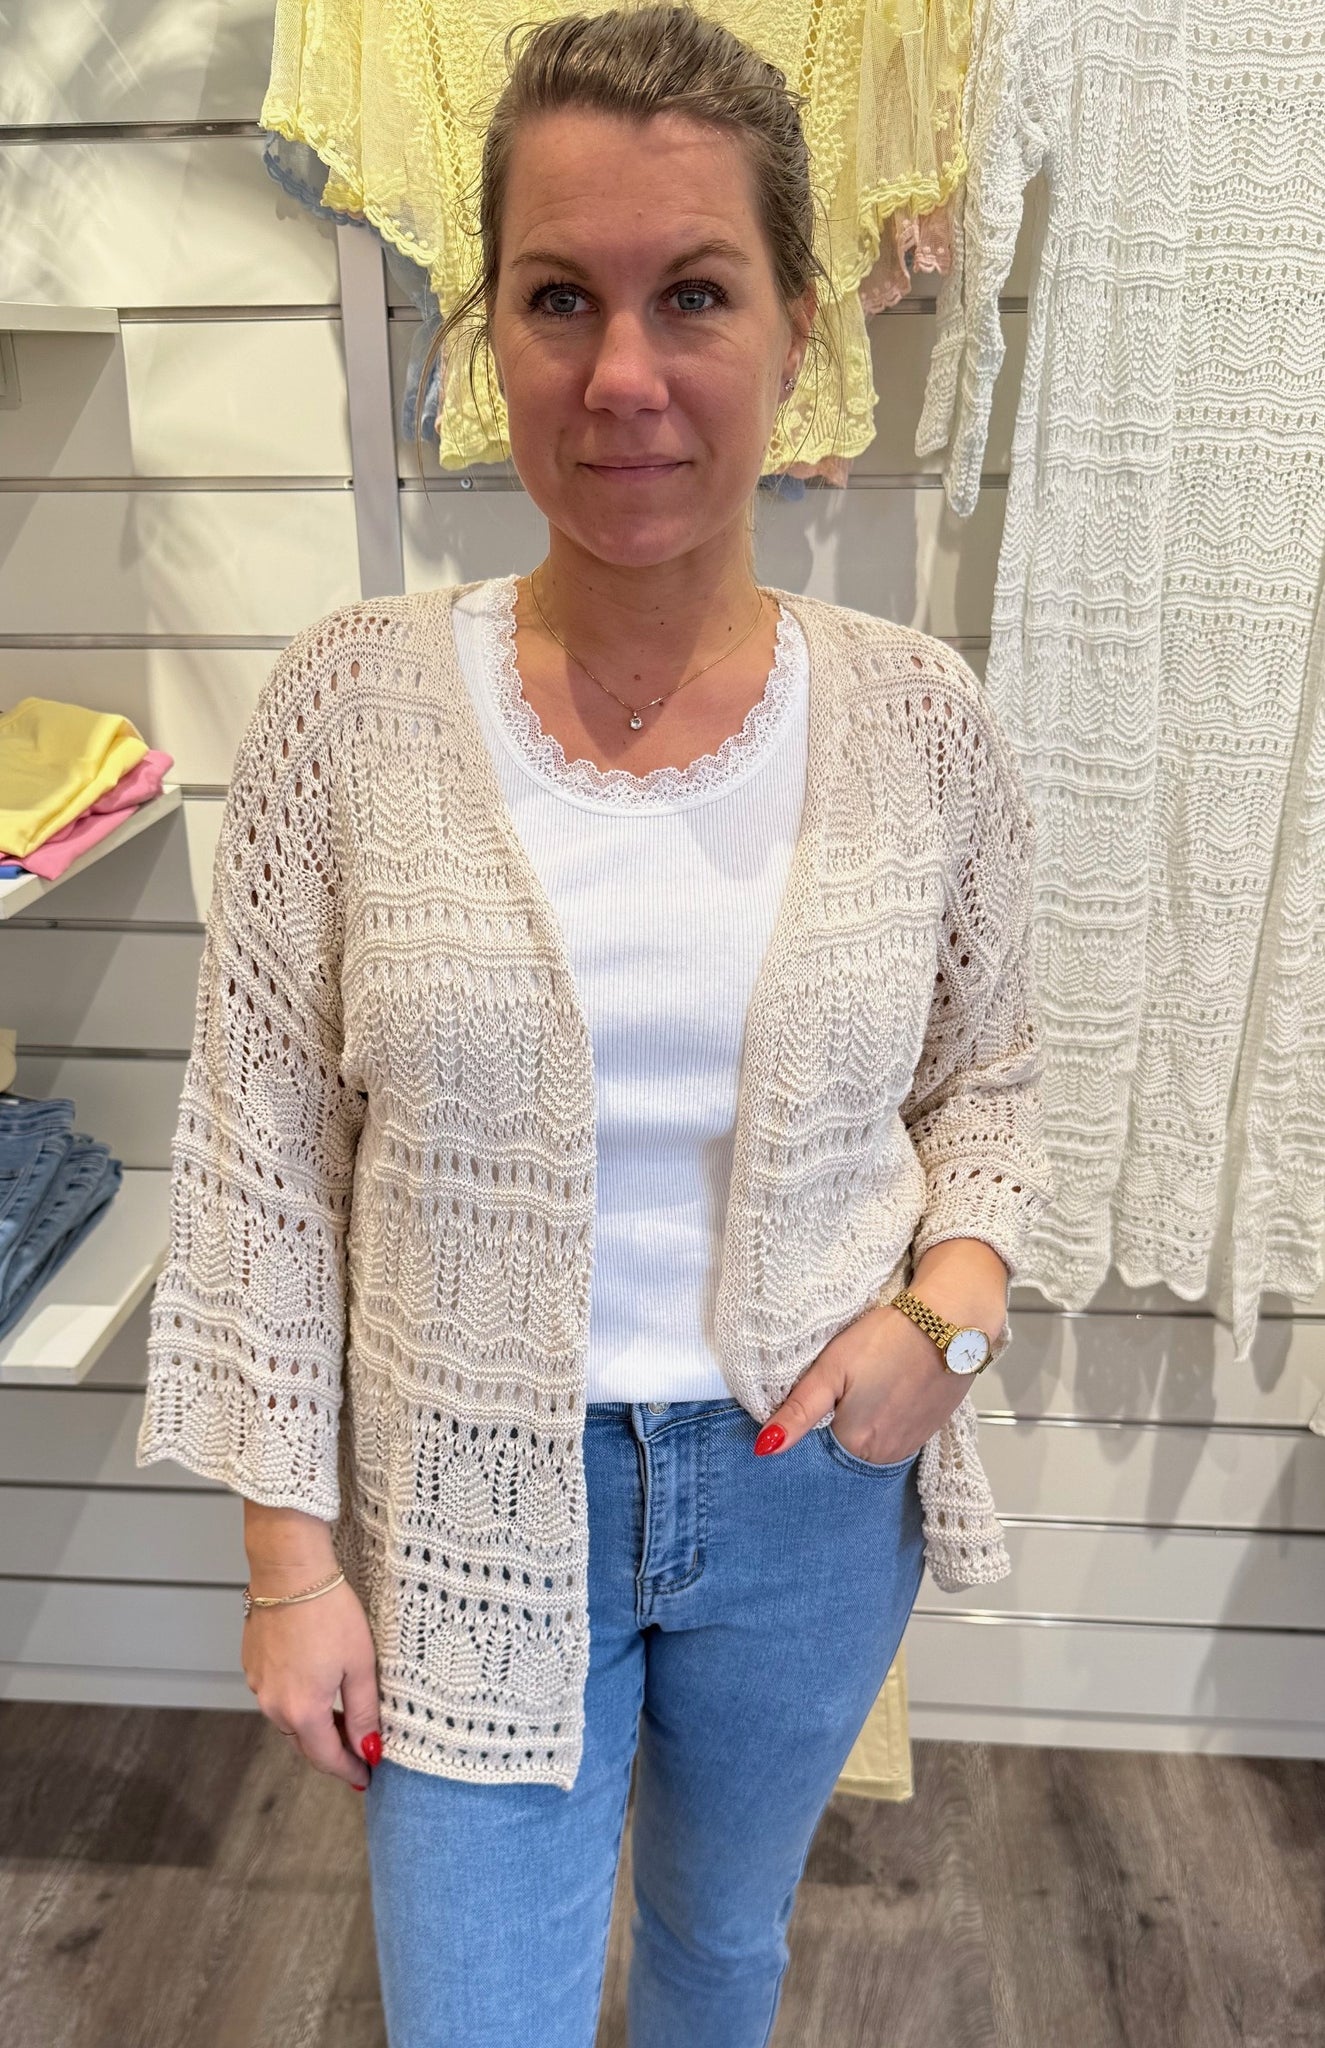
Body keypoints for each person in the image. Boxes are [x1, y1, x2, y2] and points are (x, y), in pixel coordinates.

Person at [135, 7, 1053, 2045]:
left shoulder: (919, 721)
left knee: (724, 1957)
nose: (623, 373)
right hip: (467, 1490)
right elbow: (258, 1157)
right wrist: (289, 1560)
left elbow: (986, 1079)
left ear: (801, 328)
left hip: (809, 1491)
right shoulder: (348, 712)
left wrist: (953, 1317)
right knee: (480, 2012)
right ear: (491, 333)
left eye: (693, 294)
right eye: (560, 298)